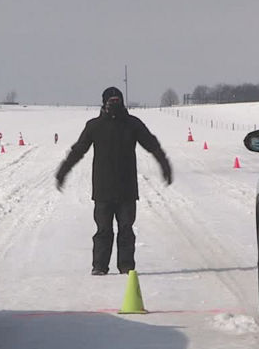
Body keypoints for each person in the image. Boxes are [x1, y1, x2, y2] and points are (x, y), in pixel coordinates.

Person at [55, 87, 173, 275]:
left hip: (127, 190)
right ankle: (99, 266)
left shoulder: (133, 124)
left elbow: (152, 144)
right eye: (111, 101)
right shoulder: (94, 126)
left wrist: (164, 163)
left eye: (117, 100)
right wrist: (63, 170)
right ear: (104, 103)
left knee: (126, 230)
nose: (114, 104)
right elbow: (78, 150)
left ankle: (126, 267)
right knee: (103, 230)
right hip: (103, 190)